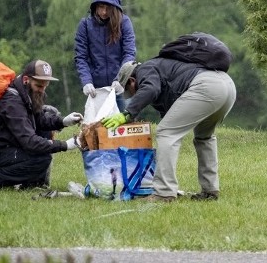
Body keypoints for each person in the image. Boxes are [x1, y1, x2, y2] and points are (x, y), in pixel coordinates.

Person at [102, 51, 237, 203]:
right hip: (227, 86)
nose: (132, 95)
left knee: (166, 133)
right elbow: (170, 112)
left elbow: (150, 89)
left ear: (132, 80)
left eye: (129, 91)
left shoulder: (146, 69)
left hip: (206, 87)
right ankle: (210, 190)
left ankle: (164, 193)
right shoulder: (161, 70)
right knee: (204, 136)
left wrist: (127, 113)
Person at [0, 60, 83, 189]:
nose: (42, 90)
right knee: (41, 159)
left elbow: (39, 121)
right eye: (39, 86)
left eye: (45, 86)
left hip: (5, 143)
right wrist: (65, 145)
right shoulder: (12, 102)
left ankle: (35, 183)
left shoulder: (28, 93)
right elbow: (30, 142)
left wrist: (62, 121)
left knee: (44, 134)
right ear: (26, 80)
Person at [74, 0, 137, 110]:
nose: (104, 12)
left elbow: (129, 53)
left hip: (118, 90)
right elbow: (81, 57)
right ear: (95, 6)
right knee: (97, 128)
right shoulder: (85, 25)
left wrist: (121, 79)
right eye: (101, 7)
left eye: (108, 8)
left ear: (115, 8)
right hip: (96, 91)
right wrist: (87, 82)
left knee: (120, 127)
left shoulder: (124, 23)